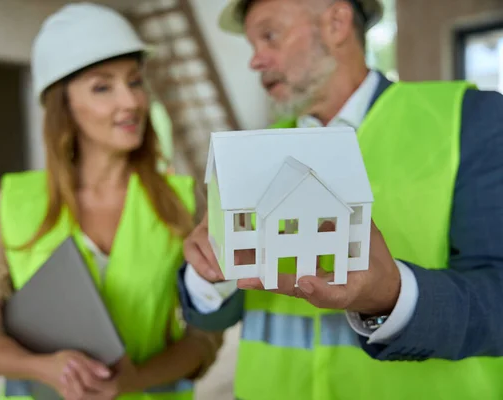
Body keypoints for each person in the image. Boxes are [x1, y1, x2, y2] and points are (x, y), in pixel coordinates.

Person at [177, 0, 503, 399]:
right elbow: (217, 317)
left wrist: (393, 296)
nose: (256, 61)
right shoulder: (251, 150)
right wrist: (208, 273)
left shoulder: (469, 121)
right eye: (252, 45)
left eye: (269, 36)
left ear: (335, 23)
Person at [0, 3, 223, 400]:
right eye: (103, 87)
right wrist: (43, 368)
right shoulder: (13, 203)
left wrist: (135, 379)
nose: (130, 102)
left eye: (134, 82)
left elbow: (206, 337)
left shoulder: (182, 201)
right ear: (65, 107)